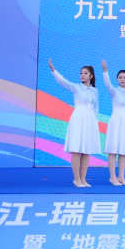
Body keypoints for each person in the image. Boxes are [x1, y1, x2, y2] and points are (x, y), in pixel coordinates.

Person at [49, 59, 100, 188]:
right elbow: (63, 82)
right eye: (81, 73)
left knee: (86, 150)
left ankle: (83, 179)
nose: (82, 75)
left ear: (91, 76)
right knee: (77, 149)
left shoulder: (95, 91)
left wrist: (96, 122)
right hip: (79, 118)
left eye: (85, 73)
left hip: (90, 120)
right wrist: (53, 70)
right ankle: (76, 179)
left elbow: (96, 109)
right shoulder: (76, 87)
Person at [101, 60, 125, 186]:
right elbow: (107, 83)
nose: (122, 79)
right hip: (116, 121)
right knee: (113, 150)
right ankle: (112, 177)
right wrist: (105, 71)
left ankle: (121, 177)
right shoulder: (114, 91)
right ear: (117, 79)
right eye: (120, 77)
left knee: (123, 150)